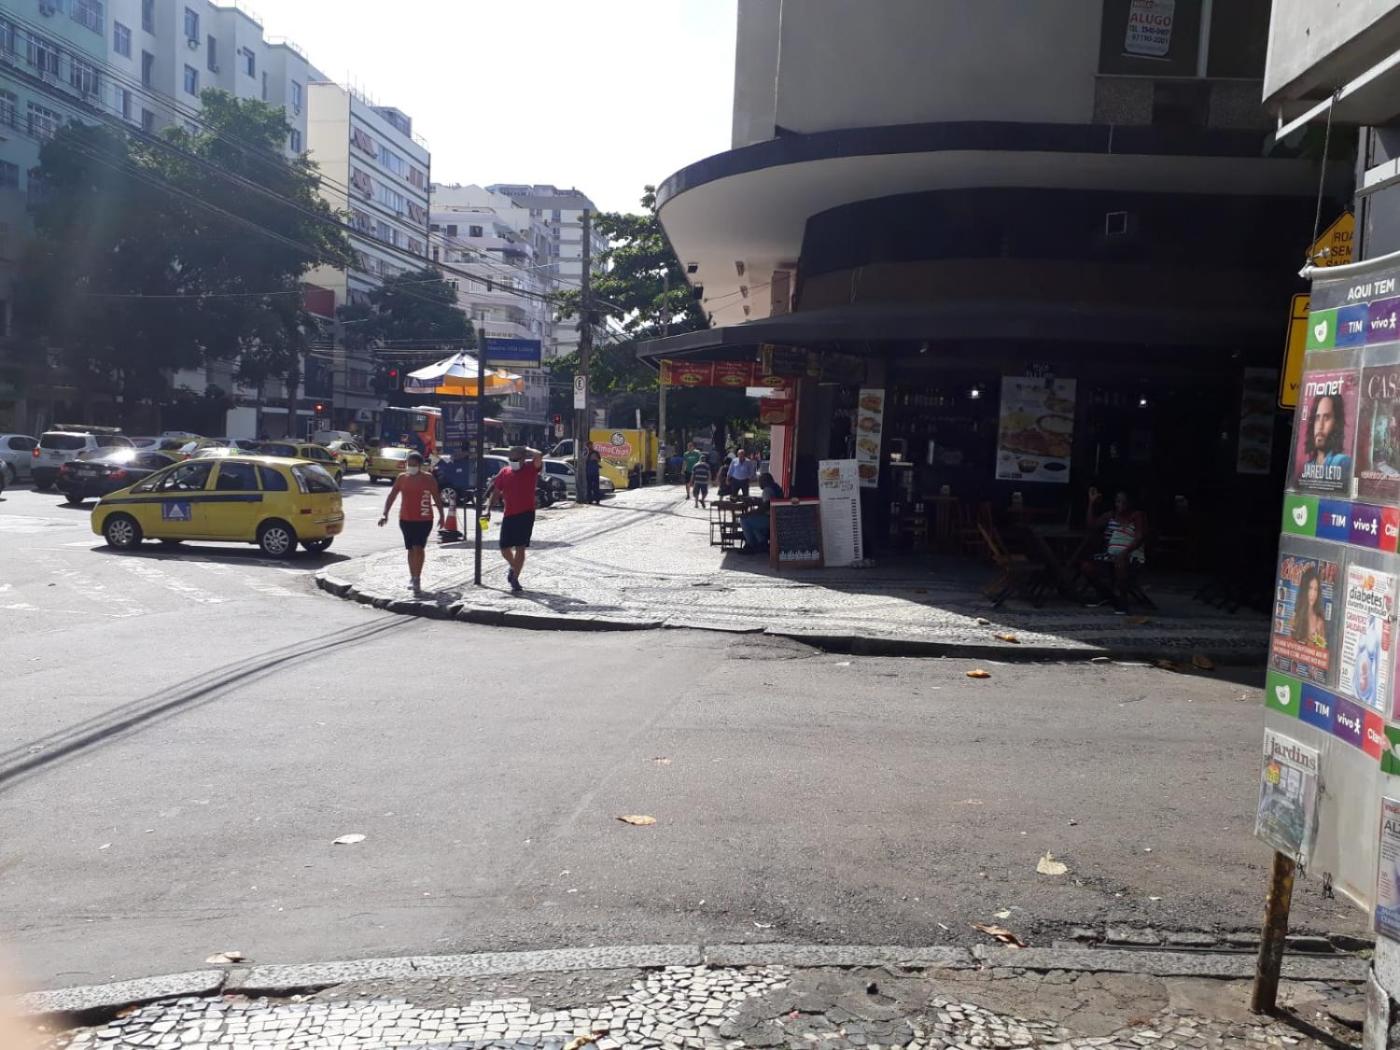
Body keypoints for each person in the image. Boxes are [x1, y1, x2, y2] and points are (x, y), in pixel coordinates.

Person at [378, 451, 444, 593]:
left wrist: (442, 515)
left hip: (424, 519)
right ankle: (412, 576)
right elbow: (392, 496)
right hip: (406, 519)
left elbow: (436, 497)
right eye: (409, 464)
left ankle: (417, 578)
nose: (411, 467)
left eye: (414, 464)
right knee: (410, 549)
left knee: (418, 548)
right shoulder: (402, 478)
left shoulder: (428, 478)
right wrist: (385, 514)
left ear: (420, 465)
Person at [487, 444, 544, 593]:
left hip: (526, 513)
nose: (513, 461)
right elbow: (496, 492)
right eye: (511, 459)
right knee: (504, 547)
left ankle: (515, 578)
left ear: (523, 458)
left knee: (520, 547)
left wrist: (526, 449)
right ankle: (513, 566)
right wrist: (488, 509)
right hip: (509, 514)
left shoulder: (531, 468)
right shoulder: (504, 472)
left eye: (516, 459)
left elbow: (539, 455)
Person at [1084, 487, 1147, 614]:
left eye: (1124, 502)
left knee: (1120, 564)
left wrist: (1124, 553)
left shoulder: (1137, 515)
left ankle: (1123, 602)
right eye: (1118, 501)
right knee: (1086, 566)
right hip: (1111, 554)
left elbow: (1139, 537)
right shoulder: (1111, 515)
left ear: (1131, 503)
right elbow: (1091, 525)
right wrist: (1091, 503)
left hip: (1131, 555)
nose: (1121, 505)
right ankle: (1107, 596)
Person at [1298, 391, 1351, 487]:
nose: (1320, 426)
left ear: (1336, 423)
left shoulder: (1342, 462)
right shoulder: (1308, 466)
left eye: (1326, 418)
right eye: (1317, 418)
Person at [738, 472, 785, 553]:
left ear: (765, 481)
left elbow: (765, 507)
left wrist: (750, 513)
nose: (759, 483)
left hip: (771, 519)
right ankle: (762, 544)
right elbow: (768, 501)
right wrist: (756, 501)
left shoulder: (767, 490)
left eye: (760, 481)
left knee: (744, 520)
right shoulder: (776, 487)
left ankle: (751, 545)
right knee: (754, 522)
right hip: (778, 517)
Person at [1290, 565, 1329, 649]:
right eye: (1310, 588)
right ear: (1304, 590)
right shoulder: (1295, 617)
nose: (1313, 594)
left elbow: (1323, 646)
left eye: (1315, 589)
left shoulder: (1319, 621)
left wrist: (1315, 639)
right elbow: (1289, 643)